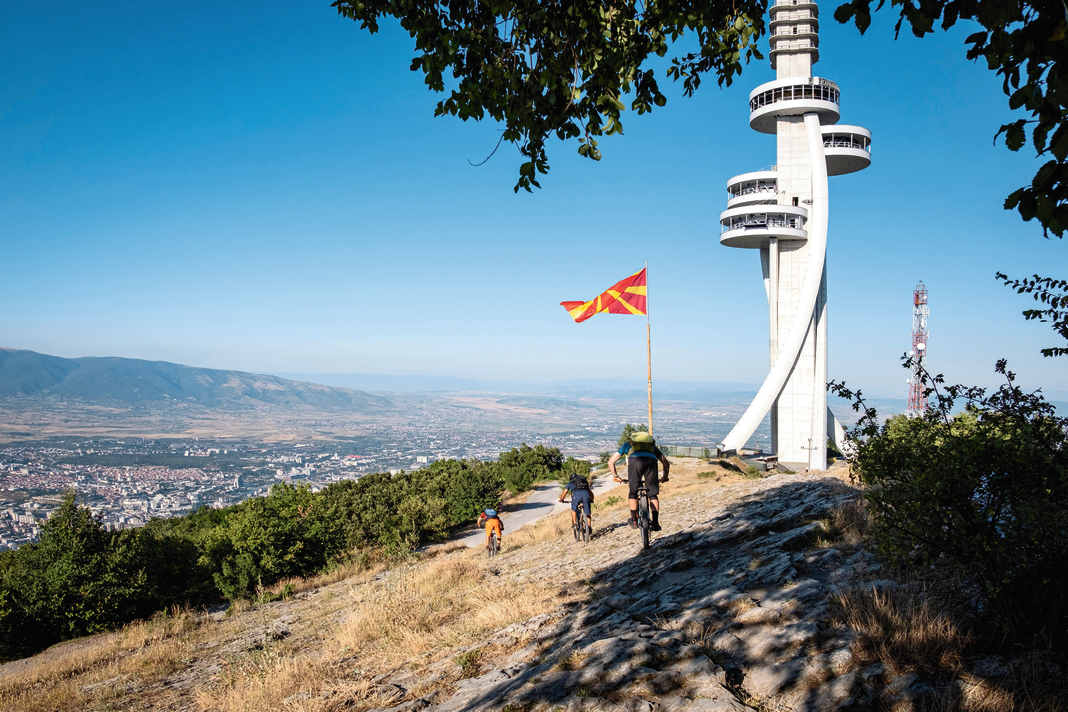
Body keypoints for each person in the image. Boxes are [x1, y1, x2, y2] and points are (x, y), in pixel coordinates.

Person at [607, 431, 670, 531]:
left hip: (635, 461)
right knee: (652, 495)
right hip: (651, 462)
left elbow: (611, 462)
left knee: (633, 492)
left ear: (632, 440)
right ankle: (655, 522)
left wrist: (616, 476)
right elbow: (665, 463)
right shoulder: (651, 447)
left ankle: (634, 520)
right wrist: (665, 477)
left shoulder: (628, 445)